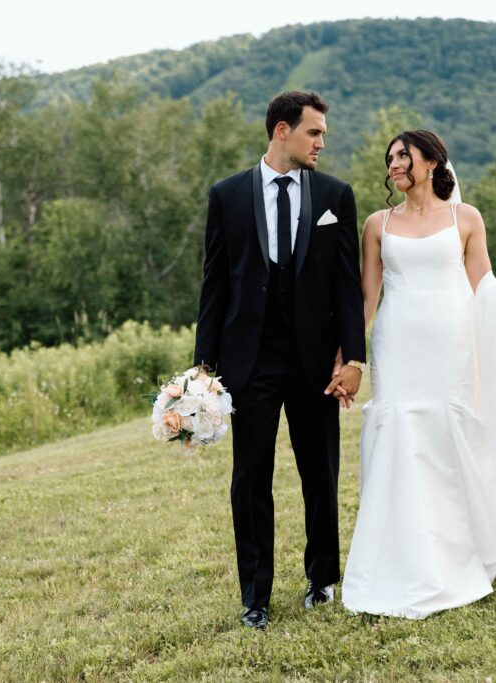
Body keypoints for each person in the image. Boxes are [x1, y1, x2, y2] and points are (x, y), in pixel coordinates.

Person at [341, 130, 496, 619]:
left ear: (431, 162)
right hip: (398, 343)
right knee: (401, 438)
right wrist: (351, 358)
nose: (394, 165)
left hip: (451, 343)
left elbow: (486, 287)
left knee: (448, 440)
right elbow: (366, 298)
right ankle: (397, 562)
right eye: (389, 159)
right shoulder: (377, 224)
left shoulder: (465, 218)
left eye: (403, 156)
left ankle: (455, 559)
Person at [193, 91, 366, 629]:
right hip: (248, 363)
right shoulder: (227, 196)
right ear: (282, 131)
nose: (321, 143)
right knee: (251, 478)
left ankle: (321, 581)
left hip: (315, 366)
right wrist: (202, 370)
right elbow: (215, 286)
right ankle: (256, 598)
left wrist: (355, 358)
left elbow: (346, 287)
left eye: (323, 136)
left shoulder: (336, 195)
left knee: (321, 473)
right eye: (313, 133)